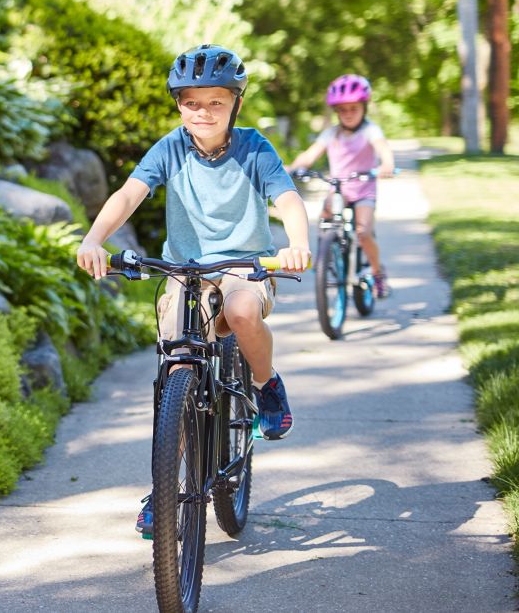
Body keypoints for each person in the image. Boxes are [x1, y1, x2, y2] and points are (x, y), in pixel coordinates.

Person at [74, 44, 311, 535]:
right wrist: (95, 239)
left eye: (215, 102)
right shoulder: (170, 148)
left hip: (246, 265)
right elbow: (129, 195)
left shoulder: (253, 148)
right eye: (191, 102)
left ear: (235, 105)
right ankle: (165, 489)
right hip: (187, 271)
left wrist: (298, 242)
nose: (203, 112)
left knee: (243, 312)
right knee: (178, 364)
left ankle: (266, 386)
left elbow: (287, 198)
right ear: (178, 104)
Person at [287, 74, 396, 297]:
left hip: (364, 188)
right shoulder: (331, 133)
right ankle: (324, 254)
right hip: (339, 188)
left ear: (363, 108)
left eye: (353, 109)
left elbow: (383, 149)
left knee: (363, 232)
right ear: (336, 111)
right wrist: (292, 169)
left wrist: (387, 164)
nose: (348, 114)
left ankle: (377, 273)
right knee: (325, 215)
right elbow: (310, 155)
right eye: (342, 110)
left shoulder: (370, 130)